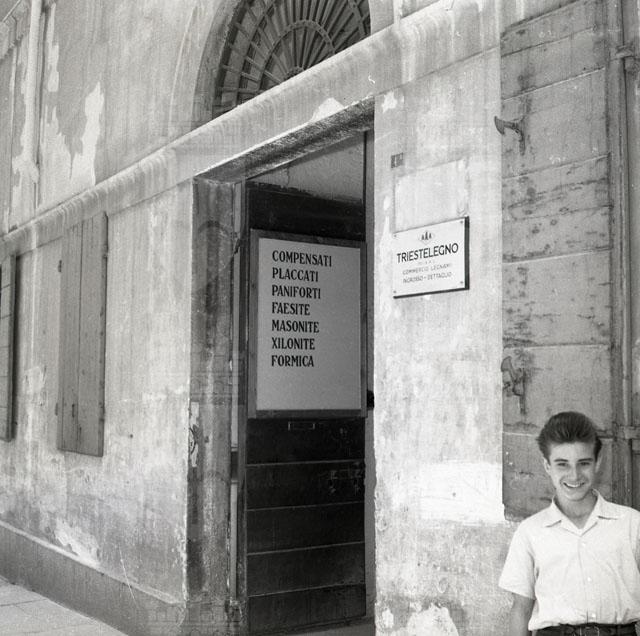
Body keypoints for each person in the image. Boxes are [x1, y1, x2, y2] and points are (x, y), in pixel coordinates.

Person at [499, 411, 640, 636]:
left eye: (583, 463)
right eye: (562, 464)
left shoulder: (631, 524)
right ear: (547, 466)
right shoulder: (531, 532)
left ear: (598, 462)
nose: (574, 476)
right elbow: (521, 610)